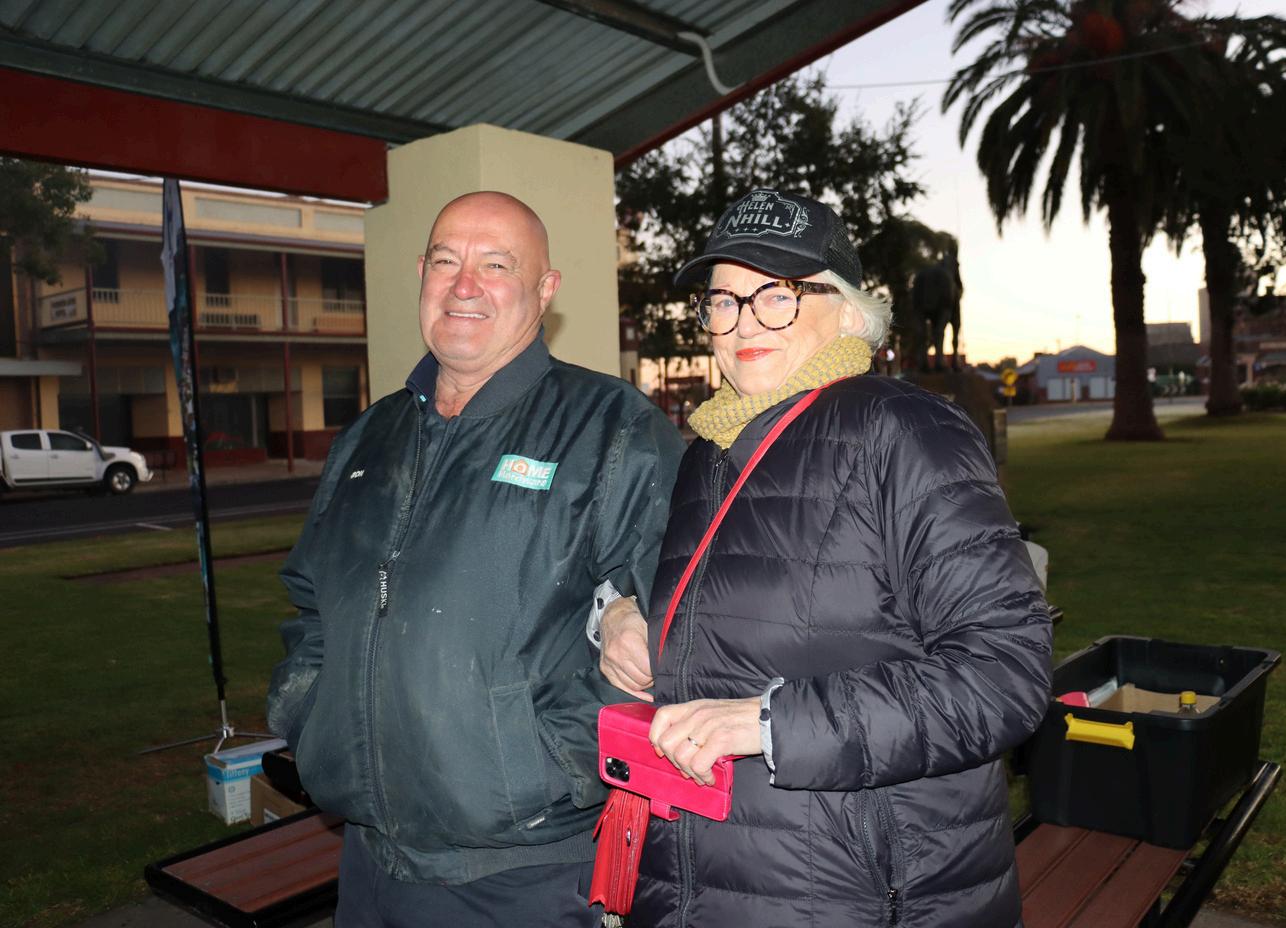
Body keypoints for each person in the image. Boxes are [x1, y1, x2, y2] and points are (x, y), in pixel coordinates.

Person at [599, 188, 1053, 927]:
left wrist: (771, 724)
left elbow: (1004, 673)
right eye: (723, 300)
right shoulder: (707, 454)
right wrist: (625, 622)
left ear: (846, 312)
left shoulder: (903, 430)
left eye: (777, 295)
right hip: (698, 888)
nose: (744, 321)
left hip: (858, 898)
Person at [267, 191, 686, 928]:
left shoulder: (612, 428)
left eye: (496, 265)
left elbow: (666, 626)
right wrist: (309, 717)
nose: (464, 285)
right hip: (366, 856)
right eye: (446, 261)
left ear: (545, 289)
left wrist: (548, 769)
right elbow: (312, 604)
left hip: (522, 874)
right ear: (421, 273)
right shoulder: (369, 436)